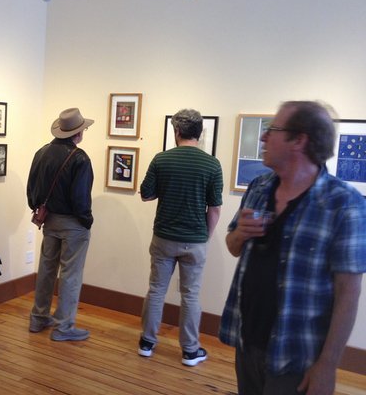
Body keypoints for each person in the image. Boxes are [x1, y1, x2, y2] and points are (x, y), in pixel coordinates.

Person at [219, 101, 366, 395]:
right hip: (247, 341)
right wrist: (240, 235)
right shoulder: (259, 188)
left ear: (299, 140)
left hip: (296, 356)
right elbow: (233, 246)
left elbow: (348, 293)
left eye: (272, 130)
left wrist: (328, 364)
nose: (262, 137)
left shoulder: (344, 204)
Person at [138, 109, 223, 366]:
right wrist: (204, 237)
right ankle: (189, 350)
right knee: (191, 295)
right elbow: (215, 208)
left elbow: (146, 195)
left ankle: (147, 343)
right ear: (199, 133)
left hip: (163, 237)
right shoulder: (212, 164)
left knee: (156, 290)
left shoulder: (161, 160)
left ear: (176, 131)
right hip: (194, 240)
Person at [27, 107, 94, 341]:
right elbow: (80, 198)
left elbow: (32, 188)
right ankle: (64, 327)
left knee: (46, 268)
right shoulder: (80, 158)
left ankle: (38, 318)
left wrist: (37, 207)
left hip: (49, 220)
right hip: (73, 224)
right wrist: (87, 221)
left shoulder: (42, 152)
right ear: (78, 133)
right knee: (70, 274)